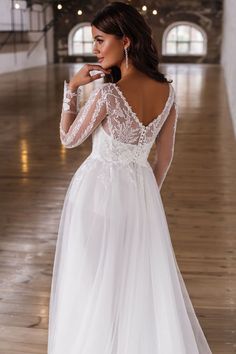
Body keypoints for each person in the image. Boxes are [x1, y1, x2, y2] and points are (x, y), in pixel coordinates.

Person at [47, 2, 212, 353]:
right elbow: (164, 159)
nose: (94, 49)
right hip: (141, 193)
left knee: (94, 278)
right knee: (132, 278)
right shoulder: (168, 93)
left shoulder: (108, 93)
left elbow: (68, 139)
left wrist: (72, 89)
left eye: (99, 40)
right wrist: (145, 198)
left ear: (125, 41)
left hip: (96, 193)